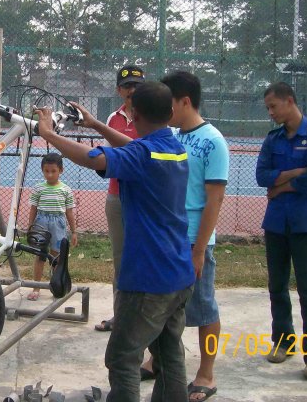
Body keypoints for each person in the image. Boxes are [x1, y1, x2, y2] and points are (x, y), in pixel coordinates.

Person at [36, 81, 195, 402]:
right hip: (179, 274)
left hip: (148, 280)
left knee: (123, 358)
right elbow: (133, 148)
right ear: (170, 112)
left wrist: (50, 136)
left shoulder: (143, 155)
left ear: (133, 114)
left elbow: (96, 158)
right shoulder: (173, 149)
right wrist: (96, 125)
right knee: (169, 356)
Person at [141, 71, 229, 401]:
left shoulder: (213, 141)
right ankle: (158, 360)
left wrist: (199, 250)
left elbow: (214, 199)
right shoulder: (174, 135)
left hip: (194, 240)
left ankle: (206, 373)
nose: (165, 110)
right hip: (169, 237)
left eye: (169, 103)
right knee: (163, 307)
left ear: (185, 102)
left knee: (204, 309)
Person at [256, 81, 307, 380]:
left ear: (289, 101)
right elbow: (262, 177)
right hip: (276, 224)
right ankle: (283, 341)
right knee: (277, 286)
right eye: (268, 108)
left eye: (273, 106)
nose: (271, 113)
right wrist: (292, 173)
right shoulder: (273, 139)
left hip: (304, 224)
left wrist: (281, 186)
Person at [94, 64, 143, 332]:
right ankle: (122, 316)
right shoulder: (114, 119)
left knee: (145, 258)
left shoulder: (153, 115)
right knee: (121, 259)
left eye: (137, 85)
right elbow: (116, 157)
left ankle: (144, 319)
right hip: (117, 197)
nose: (132, 90)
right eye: (127, 86)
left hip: (145, 198)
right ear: (119, 90)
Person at [27, 152, 78, 300]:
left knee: (56, 257)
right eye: (46, 171)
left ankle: (57, 287)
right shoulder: (38, 188)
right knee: (40, 255)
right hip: (41, 223)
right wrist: (31, 226)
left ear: (61, 170)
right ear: (42, 170)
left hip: (58, 223)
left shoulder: (66, 190)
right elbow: (33, 209)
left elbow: (69, 212)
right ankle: (36, 287)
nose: (49, 175)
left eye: (53, 171)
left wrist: (74, 232)